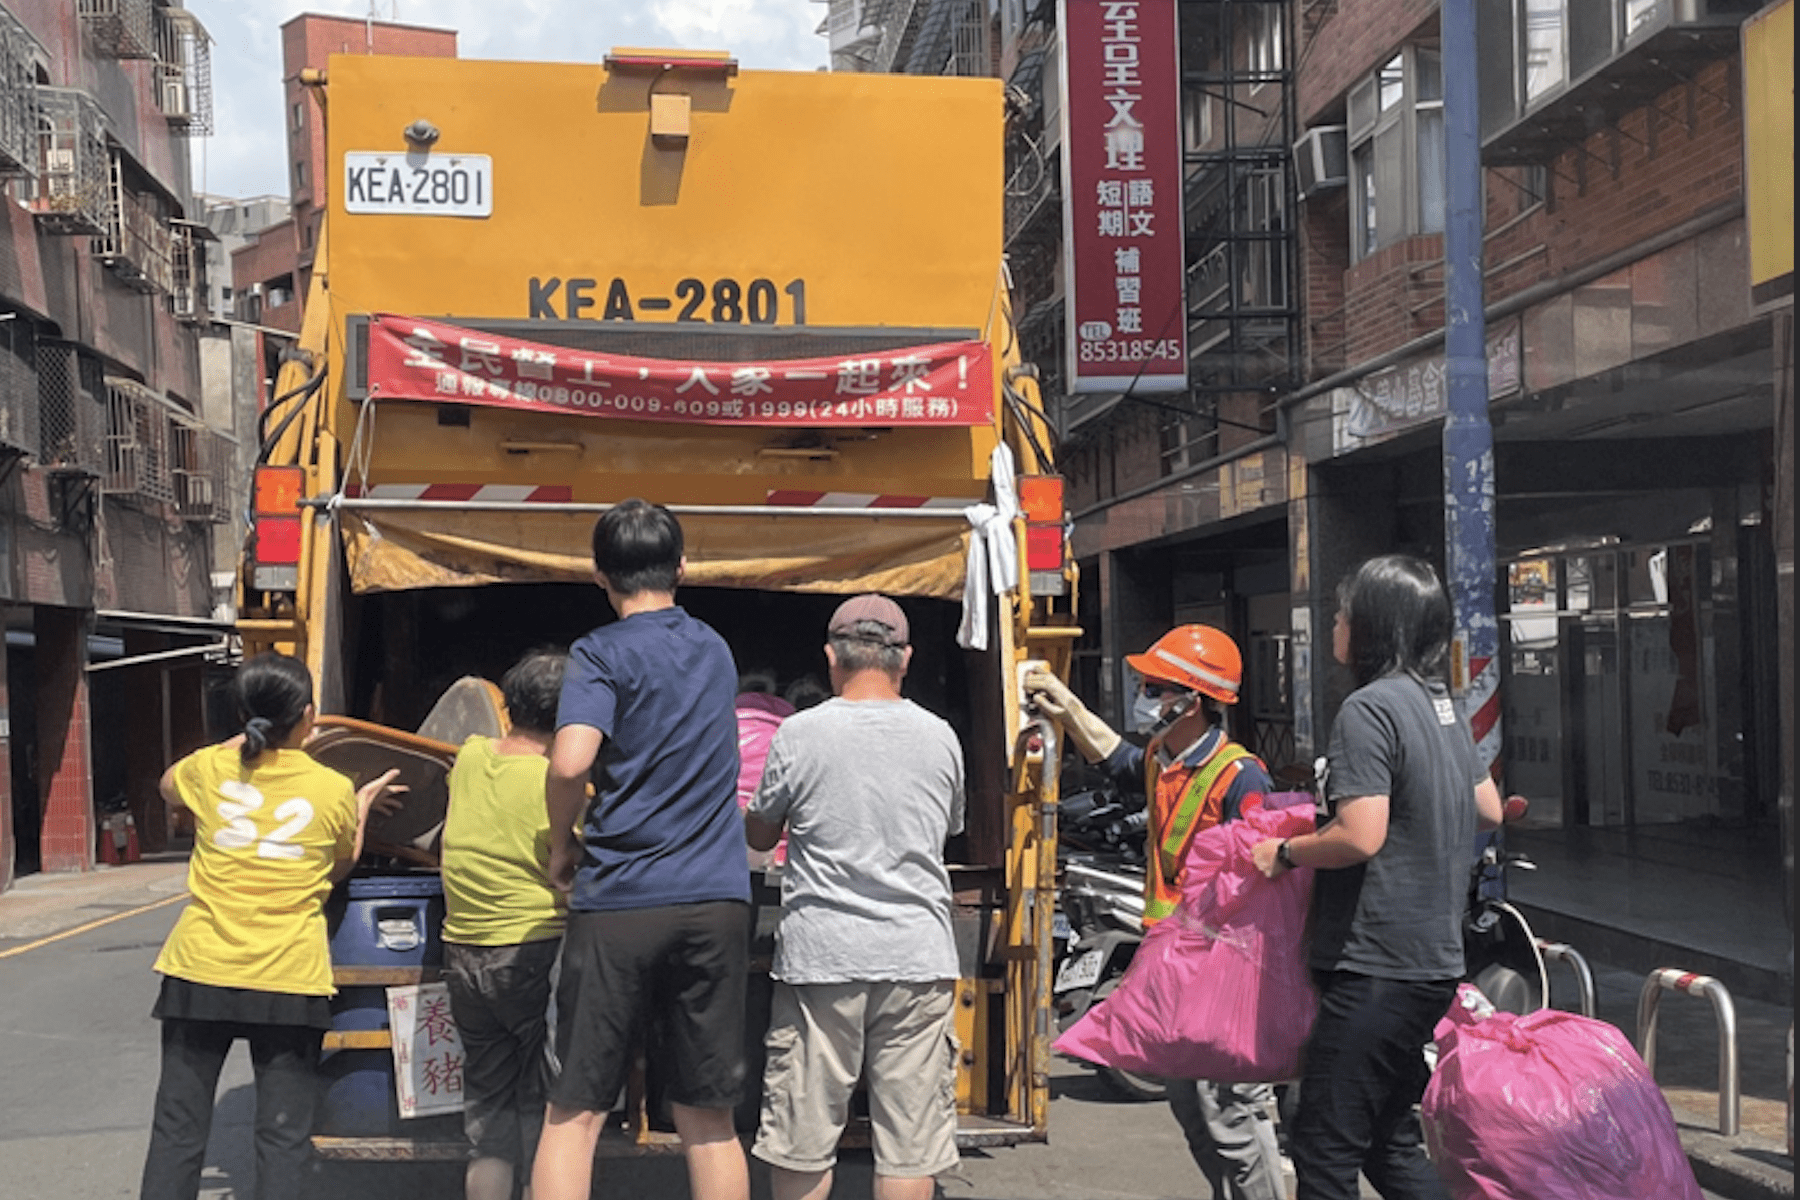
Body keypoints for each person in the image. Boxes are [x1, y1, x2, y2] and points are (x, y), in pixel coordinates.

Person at [1251, 555, 1503, 1200]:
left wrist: (1287, 851)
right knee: (1387, 1142)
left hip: (1377, 966)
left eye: (1343, 612)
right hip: (1429, 962)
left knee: (1323, 1144)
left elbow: (1360, 836)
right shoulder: (1441, 706)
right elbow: (1489, 808)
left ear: (1373, 626)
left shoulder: (1368, 710)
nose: (1334, 622)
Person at [531, 499, 752, 1200]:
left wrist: (561, 844)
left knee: (576, 1112)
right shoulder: (715, 647)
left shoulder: (601, 653)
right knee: (708, 1117)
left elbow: (569, 763)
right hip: (715, 899)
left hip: (622, 899)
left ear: (599, 575)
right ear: (682, 567)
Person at [1025, 626, 1285, 1200]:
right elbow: (1117, 759)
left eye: (1154, 686)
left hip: (1223, 965)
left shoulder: (1241, 775)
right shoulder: (1162, 763)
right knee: (1190, 1107)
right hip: (1174, 960)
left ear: (1191, 701)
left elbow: (1266, 878)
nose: (1145, 695)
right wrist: (1067, 707)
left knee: (1231, 1113)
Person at [139, 653, 400, 1200]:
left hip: (200, 969)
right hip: (287, 976)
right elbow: (339, 864)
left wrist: (238, 741)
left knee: (179, 1128)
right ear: (308, 715)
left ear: (241, 714)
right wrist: (362, 804)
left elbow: (167, 785)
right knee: (283, 1136)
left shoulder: (209, 770)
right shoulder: (330, 789)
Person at [744, 594, 965, 1200]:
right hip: (918, 957)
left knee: (802, 1132)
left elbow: (760, 835)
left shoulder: (799, 733)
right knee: (909, 1139)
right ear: (906, 659)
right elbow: (946, 826)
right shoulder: (940, 736)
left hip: (823, 959)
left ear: (830, 658)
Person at [440, 648, 569, 1200]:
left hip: (464, 952)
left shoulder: (469, 757)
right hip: (534, 951)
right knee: (545, 1107)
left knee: (488, 1119)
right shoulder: (559, 784)